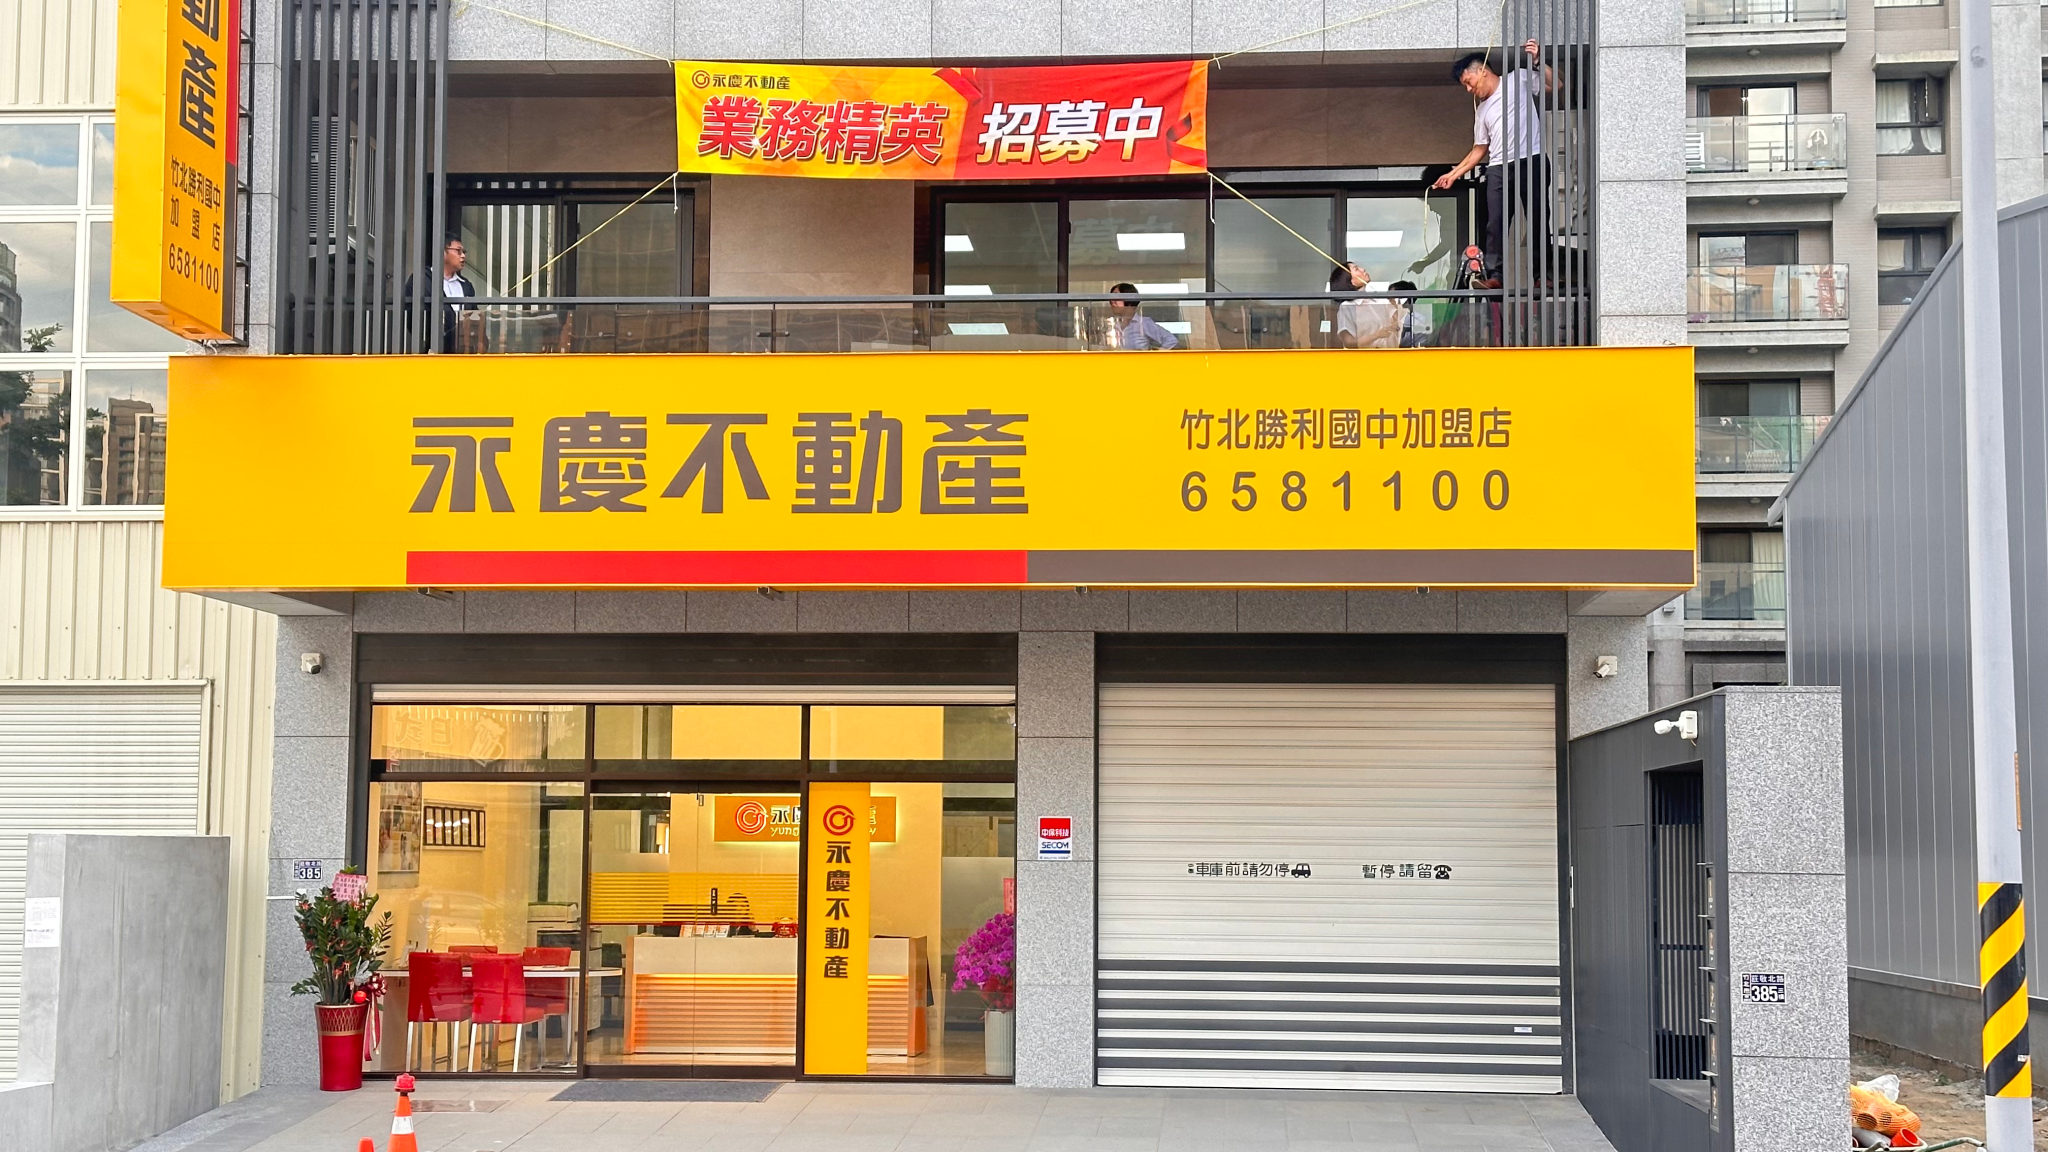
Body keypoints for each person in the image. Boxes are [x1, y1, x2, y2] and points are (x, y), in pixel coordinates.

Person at [1432, 41, 1557, 287]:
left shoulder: (1517, 79)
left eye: (1469, 82)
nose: (1469, 89)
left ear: (1482, 71)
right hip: (1498, 167)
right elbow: (1479, 149)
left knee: (1538, 219)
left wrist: (1537, 61)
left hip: (1532, 158)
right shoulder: (1482, 111)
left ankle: (1542, 276)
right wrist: (1453, 174)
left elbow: (1555, 85)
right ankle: (1495, 276)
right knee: (1495, 224)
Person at [405, 237, 476, 352]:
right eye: (458, 251)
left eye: (464, 252)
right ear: (443, 252)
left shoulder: (466, 285)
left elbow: (474, 317)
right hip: (430, 351)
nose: (463, 256)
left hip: (461, 352)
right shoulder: (422, 279)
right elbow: (411, 316)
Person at [1331, 263, 1401, 349]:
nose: (1363, 269)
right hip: (1365, 356)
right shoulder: (1348, 306)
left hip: (1391, 354)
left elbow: (1397, 323)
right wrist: (1377, 335)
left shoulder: (1380, 301)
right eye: (1356, 269)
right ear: (1351, 281)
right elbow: (1349, 342)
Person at [1107, 283, 1179, 350]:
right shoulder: (1111, 325)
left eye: (1116, 297)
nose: (1112, 301)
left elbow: (1171, 340)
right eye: (1111, 298)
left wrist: (1155, 357)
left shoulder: (1143, 323)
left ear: (1129, 298)